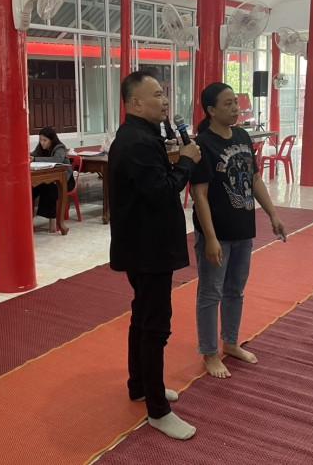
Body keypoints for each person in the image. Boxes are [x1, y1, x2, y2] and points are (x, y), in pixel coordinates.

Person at [109, 70, 201, 440]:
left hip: (142, 244)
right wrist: (186, 162)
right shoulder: (136, 142)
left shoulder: (142, 135)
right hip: (148, 248)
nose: (165, 101)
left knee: (142, 316)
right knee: (155, 325)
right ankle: (158, 412)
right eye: (158, 94)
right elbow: (163, 190)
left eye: (164, 94)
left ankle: (140, 385)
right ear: (135, 103)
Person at [190, 82, 286, 379]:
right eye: (228, 104)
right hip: (217, 232)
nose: (236, 109)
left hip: (243, 228)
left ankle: (230, 343)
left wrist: (272, 214)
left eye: (236, 103)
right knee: (211, 292)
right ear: (211, 110)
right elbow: (199, 194)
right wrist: (210, 239)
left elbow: (254, 179)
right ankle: (209, 353)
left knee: (235, 290)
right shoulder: (202, 145)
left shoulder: (243, 136)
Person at [29, 127, 75, 233]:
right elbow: (33, 155)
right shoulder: (40, 147)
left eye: (45, 140)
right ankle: (27, 221)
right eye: (40, 140)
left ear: (51, 140)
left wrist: (35, 159)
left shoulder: (59, 147)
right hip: (50, 179)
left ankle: (53, 223)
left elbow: (56, 160)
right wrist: (28, 156)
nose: (42, 143)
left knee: (49, 189)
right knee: (32, 189)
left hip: (65, 182)